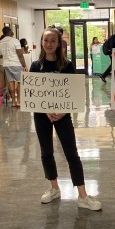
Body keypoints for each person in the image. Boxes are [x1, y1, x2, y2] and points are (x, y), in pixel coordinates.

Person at [29, 27, 102, 211]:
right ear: (42, 42)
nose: (49, 44)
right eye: (46, 40)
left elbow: (74, 93)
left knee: (72, 153)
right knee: (46, 152)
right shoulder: (36, 66)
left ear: (59, 43)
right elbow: (33, 94)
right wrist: (46, 110)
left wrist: (62, 112)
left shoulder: (67, 65)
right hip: (41, 115)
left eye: (53, 40)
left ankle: (83, 196)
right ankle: (54, 188)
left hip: (63, 116)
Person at [0, 26, 27, 107]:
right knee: (20, 82)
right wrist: (24, 65)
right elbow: (20, 54)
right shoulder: (15, 41)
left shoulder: (0, 42)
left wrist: (7, 55)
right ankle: (18, 101)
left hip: (6, 65)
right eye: (11, 30)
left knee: (10, 82)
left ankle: (13, 102)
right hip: (16, 64)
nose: (12, 31)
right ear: (9, 31)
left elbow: (0, 56)